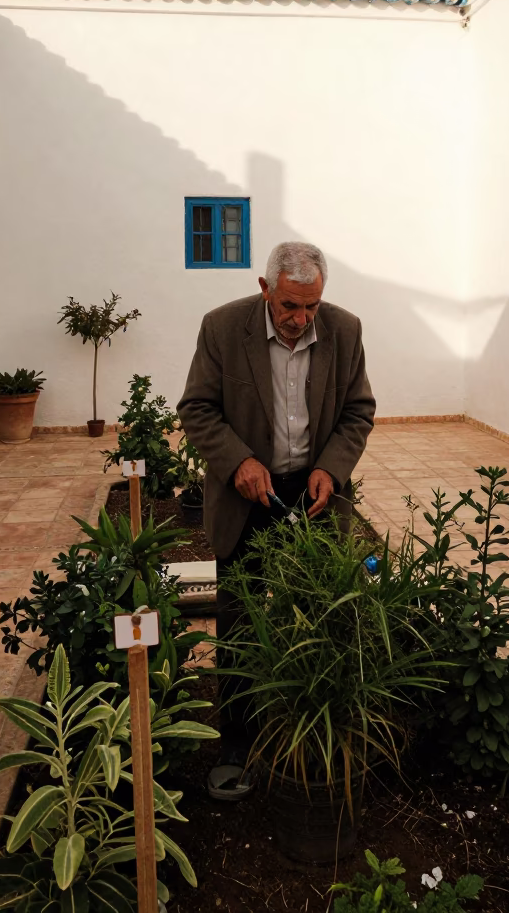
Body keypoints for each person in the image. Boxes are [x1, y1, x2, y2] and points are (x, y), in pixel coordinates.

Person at [177, 241, 376, 798]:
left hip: (314, 495)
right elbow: (196, 408)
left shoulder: (345, 330)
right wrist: (237, 461)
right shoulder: (222, 328)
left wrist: (332, 469)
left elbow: (358, 410)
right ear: (265, 289)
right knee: (239, 617)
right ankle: (238, 742)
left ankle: (306, 733)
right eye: (290, 305)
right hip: (248, 495)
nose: (300, 319)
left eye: (311, 307)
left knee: (318, 612)